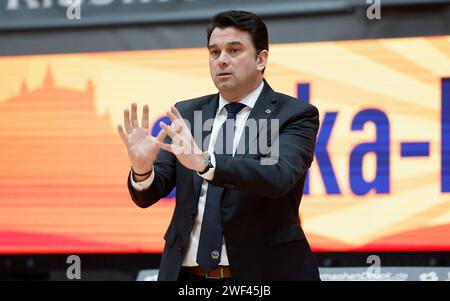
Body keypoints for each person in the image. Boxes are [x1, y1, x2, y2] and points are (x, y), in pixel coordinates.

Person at [117, 10, 320, 281]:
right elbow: (148, 194)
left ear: (261, 59)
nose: (222, 60)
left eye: (234, 50)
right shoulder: (188, 113)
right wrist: (142, 171)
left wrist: (206, 163)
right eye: (214, 52)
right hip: (186, 276)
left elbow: (277, 177)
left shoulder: (292, 114)